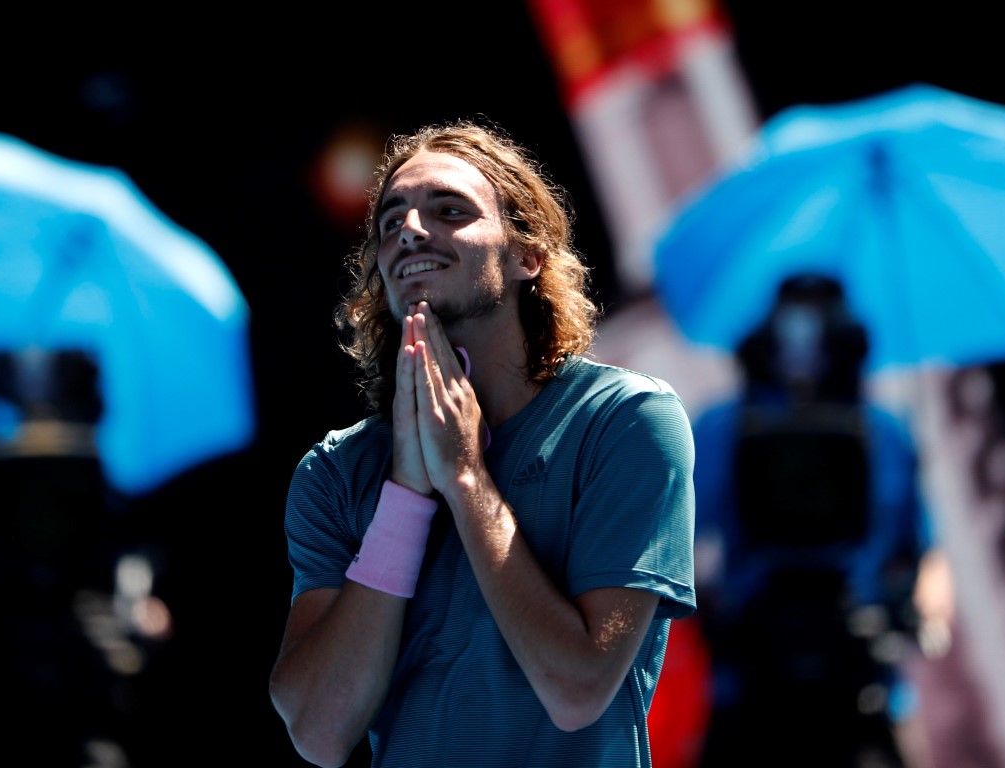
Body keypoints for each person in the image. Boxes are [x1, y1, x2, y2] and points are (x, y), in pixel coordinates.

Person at [268, 118, 697, 768]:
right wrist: (408, 496)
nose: (410, 229)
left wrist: (465, 478)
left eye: (449, 210)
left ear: (528, 256)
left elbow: (577, 690)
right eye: (391, 222)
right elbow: (320, 735)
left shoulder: (627, 420)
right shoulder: (335, 471)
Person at [689, 273, 942, 768]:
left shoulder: (884, 431)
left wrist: (921, 612)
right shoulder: (722, 427)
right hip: (751, 678)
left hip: (864, 676)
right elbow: (671, 543)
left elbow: (925, 552)